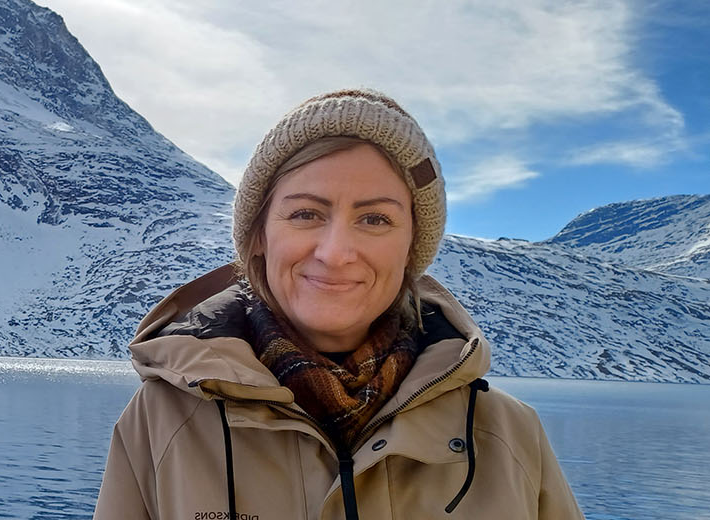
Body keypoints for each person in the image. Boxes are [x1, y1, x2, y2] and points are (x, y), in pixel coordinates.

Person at [92, 89, 584, 519]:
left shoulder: (508, 435)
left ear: (411, 247)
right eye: (306, 213)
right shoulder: (162, 422)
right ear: (260, 237)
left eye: (375, 220)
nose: (335, 252)